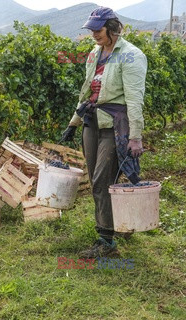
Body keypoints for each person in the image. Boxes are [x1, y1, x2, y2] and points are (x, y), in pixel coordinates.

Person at [61, 7, 147, 258]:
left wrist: (136, 136)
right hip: (91, 121)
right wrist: (73, 123)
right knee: (98, 178)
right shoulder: (94, 54)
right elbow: (87, 93)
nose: (94, 34)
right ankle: (117, 223)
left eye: (98, 30)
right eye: (91, 30)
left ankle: (106, 241)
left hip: (114, 125)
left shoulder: (131, 55)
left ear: (112, 28)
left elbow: (134, 99)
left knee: (101, 180)